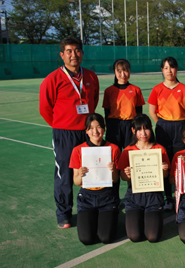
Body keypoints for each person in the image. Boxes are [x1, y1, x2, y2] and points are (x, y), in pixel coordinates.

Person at [39, 36, 99, 228]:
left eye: (77, 50)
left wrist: (86, 125)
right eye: (69, 51)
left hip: (87, 133)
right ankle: (64, 213)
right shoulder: (52, 79)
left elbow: (94, 101)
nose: (73, 55)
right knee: (64, 173)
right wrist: (60, 124)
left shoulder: (90, 76)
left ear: (82, 53)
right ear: (62, 54)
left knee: (90, 171)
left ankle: (89, 207)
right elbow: (45, 109)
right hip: (64, 133)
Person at [148, 57, 185, 211]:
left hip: (180, 127)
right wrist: (162, 123)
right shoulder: (157, 89)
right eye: (165, 68)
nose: (169, 71)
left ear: (177, 69)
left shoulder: (184, 88)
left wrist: (184, 123)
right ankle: (168, 197)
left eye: (171, 67)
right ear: (162, 70)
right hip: (163, 127)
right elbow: (152, 111)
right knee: (164, 162)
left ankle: (180, 192)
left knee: (180, 162)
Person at [69, 113, 121, 245]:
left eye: (98, 127)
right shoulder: (78, 150)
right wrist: (80, 174)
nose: (95, 131)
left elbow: (115, 180)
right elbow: (76, 182)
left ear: (104, 128)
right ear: (86, 131)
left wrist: (113, 170)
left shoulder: (113, 149)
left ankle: (109, 215)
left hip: (107, 197)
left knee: (106, 238)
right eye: (91, 128)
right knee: (86, 239)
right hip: (86, 197)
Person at [118, 114, 170, 242]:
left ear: (151, 129)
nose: (143, 133)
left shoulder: (159, 149)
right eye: (139, 130)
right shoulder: (127, 151)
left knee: (152, 237)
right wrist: (127, 174)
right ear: (133, 131)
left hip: (153, 196)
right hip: (134, 196)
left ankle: (153, 216)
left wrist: (164, 170)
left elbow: (165, 175)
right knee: (134, 236)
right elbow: (123, 177)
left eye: (146, 129)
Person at [102, 59, 145, 150]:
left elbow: (139, 112)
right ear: (114, 72)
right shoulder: (109, 91)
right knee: (113, 152)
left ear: (129, 71)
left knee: (130, 152)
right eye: (119, 71)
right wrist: (109, 126)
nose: (123, 74)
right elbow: (107, 111)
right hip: (114, 125)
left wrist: (137, 127)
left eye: (125, 70)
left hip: (131, 124)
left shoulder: (136, 89)